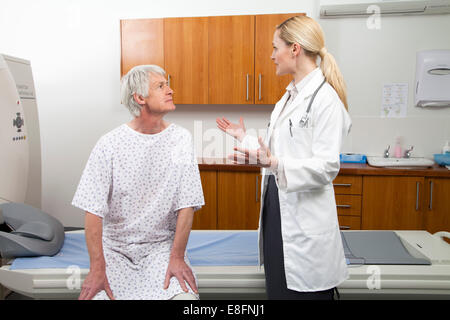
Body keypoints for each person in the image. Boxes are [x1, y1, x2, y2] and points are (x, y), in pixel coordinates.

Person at [216, 15, 352, 300]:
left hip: (304, 223)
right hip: (277, 210)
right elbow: (277, 152)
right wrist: (244, 137)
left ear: (295, 49)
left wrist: (274, 163)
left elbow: (327, 167)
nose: (271, 55)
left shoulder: (325, 100)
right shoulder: (287, 98)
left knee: (301, 293)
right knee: (278, 290)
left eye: (275, 47)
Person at [72, 65, 205, 300]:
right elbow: (92, 210)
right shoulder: (109, 144)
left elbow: (187, 204)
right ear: (140, 97)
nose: (170, 90)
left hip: (161, 249)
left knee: (186, 300)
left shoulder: (181, 140)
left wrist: (176, 257)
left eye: (167, 84)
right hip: (115, 251)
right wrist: (97, 269)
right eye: (161, 86)